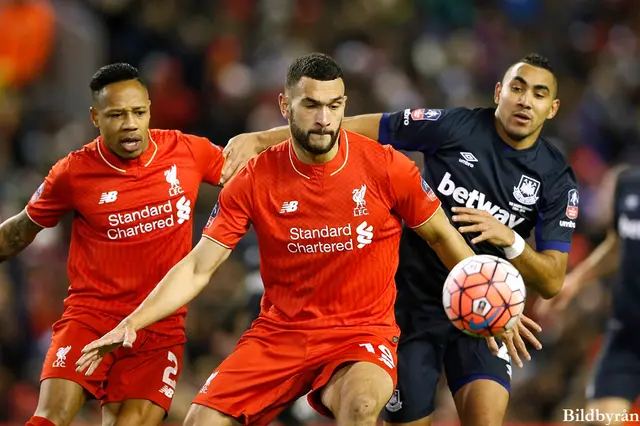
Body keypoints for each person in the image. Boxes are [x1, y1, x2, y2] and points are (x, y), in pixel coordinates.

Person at [76, 52, 478, 426]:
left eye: (334, 106)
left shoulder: (387, 167)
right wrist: (132, 322)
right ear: (286, 107)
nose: (324, 118)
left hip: (361, 333)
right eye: (311, 105)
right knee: (201, 420)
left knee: (361, 405)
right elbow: (199, 266)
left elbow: (442, 237)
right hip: (279, 335)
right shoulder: (254, 178)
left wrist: (485, 299)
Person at [221, 53, 575, 426]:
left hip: (482, 309)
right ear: (499, 91)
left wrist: (510, 240)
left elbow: (551, 281)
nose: (524, 100)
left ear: (551, 109)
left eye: (538, 94)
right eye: (517, 88)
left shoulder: (556, 178)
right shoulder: (453, 127)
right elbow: (355, 128)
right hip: (409, 308)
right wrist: (262, 140)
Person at [0, 63, 225, 426]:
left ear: (150, 108)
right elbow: (17, 233)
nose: (131, 123)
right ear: (95, 117)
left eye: (138, 112)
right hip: (91, 319)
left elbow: (255, 170)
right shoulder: (73, 173)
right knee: (50, 416)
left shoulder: (188, 152)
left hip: (158, 328)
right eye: (117, 115)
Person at [536, 165, 637, 426]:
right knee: (601, 419)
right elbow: (616, 245)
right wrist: (574, 281)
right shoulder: (629, 184)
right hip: (627, 336)